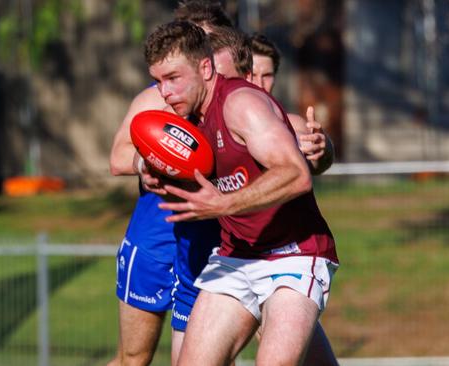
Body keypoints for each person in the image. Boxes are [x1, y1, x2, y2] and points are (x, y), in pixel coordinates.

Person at [109, 3, 333, 365]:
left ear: (205, 66)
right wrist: (149, 168)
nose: (164, 92)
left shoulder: (240, 104)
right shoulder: (185, 115)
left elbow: (296, 173)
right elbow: (129, 156)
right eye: (159, 80)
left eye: (173, 79)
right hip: (235, 256)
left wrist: (224, 204)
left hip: (291, 256)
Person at [250, 32, 333, 174]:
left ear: (275, 78)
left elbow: (317, 164)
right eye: (253, 74)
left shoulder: (291, 124)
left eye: (267, 75)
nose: (259, 83)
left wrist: (322, 148)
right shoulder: (220, 121)